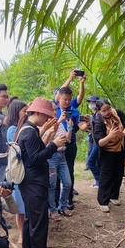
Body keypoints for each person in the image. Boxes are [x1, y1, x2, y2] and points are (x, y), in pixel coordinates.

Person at [17, 98, 66, 248]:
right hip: (34, 184)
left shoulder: (29, 130)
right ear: (37, 113)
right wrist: (54, 145)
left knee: (31, 218)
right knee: (39, 224)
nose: (48, 118)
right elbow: (37, 158)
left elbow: (33, 156)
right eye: (46, 115)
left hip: (30, 182)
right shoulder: (29, 132)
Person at [92, 99, 125, 213]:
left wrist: (123, 133)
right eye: (104, 111)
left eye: (108, 109)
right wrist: (110, 136)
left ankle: (114, 196)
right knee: (106, 175)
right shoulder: (98, 120)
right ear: (99, 111)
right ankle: (103, 201)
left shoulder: (117, 113)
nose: (107, 112)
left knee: (118, 173)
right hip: (107, 151)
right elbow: (99, 142)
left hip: (120, 148)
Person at [53, 71, 86, 208]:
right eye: (64, 99)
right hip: (55, 145)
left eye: (68, 99)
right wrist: (70, 78)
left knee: (69, 172)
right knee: (54, 174)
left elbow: (81, 125)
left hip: (70, 144)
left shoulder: (74, 110)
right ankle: (54, 202)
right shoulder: (53, 109)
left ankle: (68, 200)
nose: (66, 101)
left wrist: (86, 125)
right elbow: (60, 93)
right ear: (59, 98)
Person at [5, 100, 29, 243]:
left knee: (27, 206)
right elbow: (18, 146)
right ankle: (21, 234)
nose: (26, 114)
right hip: (19, 172)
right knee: (20, 206)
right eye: (23, 111)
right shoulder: (12, 129)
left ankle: (27, 231)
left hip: (28, 171)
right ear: (16, 113)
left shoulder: (27, 127)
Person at [85, 95, 101, 187]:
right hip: (93, 140)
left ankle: (100, 180)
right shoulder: (93, 115)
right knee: (94, 161)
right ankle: (98, 181)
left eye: (93, 102)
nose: (91, 104)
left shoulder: (99, 114)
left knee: (91, 162)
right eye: (90, 102)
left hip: (97, 142)